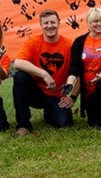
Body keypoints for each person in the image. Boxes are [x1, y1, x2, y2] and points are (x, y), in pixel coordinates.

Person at [12, 9, 75, 137]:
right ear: (41, 25)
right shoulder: (33, 42)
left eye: (53, 22)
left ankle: (50, 112)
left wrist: (72, 97)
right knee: (20, 76)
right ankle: (23, 125)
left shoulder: (69, 45)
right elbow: (17, 63)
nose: (49, 26)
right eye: (46, 23)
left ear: (59, 23)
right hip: (36, 93)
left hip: (56, 95)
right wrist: (44, 74)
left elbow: (77, 72)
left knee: (64, 123)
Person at [66, 8, 101, 132]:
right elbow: (75, 65)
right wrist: (70, 82)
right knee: (93, 123)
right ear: (88, 23)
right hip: (87, 87)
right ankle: (97, 115)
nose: (99, 24)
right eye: (95, 21)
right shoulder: (79, 42)